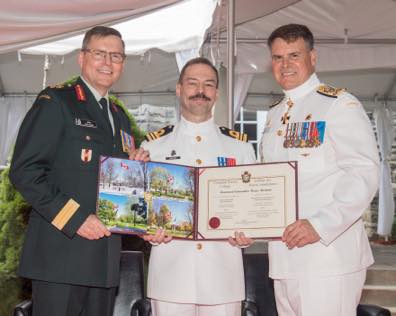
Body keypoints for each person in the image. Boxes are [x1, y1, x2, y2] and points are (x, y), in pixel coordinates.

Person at [9, 26, 149, 316]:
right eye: (100, 54)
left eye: (116, 56)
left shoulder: (119, 117)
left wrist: (134, 168)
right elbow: (25, 171)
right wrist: (75, 218)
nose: (108, 63)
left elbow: (108, 180)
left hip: (104, 260)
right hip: (62, 255)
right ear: (82, 58)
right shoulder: (57, 102)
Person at [259, 24, 379, 316]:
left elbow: (364, 173)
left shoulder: (339, 104)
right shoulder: (275, 114)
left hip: (328, 257)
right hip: (284, 259)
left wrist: (321, 224)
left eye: (293, 55)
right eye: (277, 58)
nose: (285, 65)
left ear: (313, 58)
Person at [141, 57, 256, 316]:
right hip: (170, 276)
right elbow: (141, 207)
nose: (200, 91)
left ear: (216, 93)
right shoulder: (152, 147)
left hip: (223, 278)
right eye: (192, 83)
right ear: (179, 89)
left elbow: (253, 205)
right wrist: (144, 231)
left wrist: (251, 232)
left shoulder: (240, 147)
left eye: (208, 84)